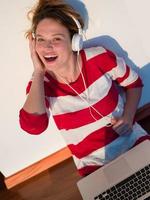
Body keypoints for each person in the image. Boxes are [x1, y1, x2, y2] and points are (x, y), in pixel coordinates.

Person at [19, 0, 150, 176]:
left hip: (132, 141)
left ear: (75, 41)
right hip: (94, 166)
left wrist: (127, 116)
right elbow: (33, 128)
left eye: (56, 39)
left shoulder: (99, 57)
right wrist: (38, 71)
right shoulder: (41, 84)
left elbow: (134, 84)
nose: (47, 47)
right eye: (41, 40)